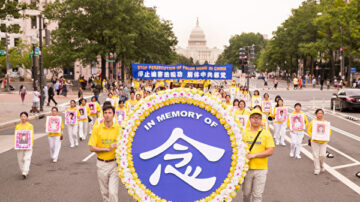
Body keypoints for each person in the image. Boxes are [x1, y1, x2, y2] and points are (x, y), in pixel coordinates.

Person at [88, 105, 121, 202]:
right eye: (105, 113)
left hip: (115, 164)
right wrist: (107, 149)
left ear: (114, 115)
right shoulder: (97, 128)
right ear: (103, 115)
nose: (107, 115)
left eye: (110, 113)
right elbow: (91, 148)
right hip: (101, 164)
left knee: (113, 193)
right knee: (105, 193)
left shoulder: (119, 129)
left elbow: (126, 144)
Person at [242, 108, 275, 202]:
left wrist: (254, 155)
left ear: (261, 120)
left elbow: (270, 151)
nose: (256, 120)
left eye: (258, 118)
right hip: (246, 169)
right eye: (253, 117)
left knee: (257, 195)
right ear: (249, 119)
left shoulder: (266, 134)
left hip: (261, 169)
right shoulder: (244, 133)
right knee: (246, 194)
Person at [307, 109, 331, 175]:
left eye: (321, 113)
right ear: (316, 114)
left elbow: (329, 131)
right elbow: (308, 130)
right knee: (315, 155)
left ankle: (321, 164)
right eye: (318, 113)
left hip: (323, 141)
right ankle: (317, 169)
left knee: (323, 155)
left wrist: (326, 136)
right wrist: (313, 136)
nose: (320, 114)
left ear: (323, 114)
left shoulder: (325, 123)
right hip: (314, 141)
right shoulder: (313, 122)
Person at [15, 112, 34, 179]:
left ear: (27, 117)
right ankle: (23, 170)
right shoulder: (18, 126)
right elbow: (16, 136)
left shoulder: (30, 126)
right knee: (20, 159)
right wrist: (15, 144)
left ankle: (25, 171)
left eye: (24, 116)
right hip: (20, 145)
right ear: (20, 117)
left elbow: (31, 135)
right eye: (22, 116)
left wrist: (31, 143)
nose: (23, 118)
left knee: (27, 158)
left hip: (28, 144)